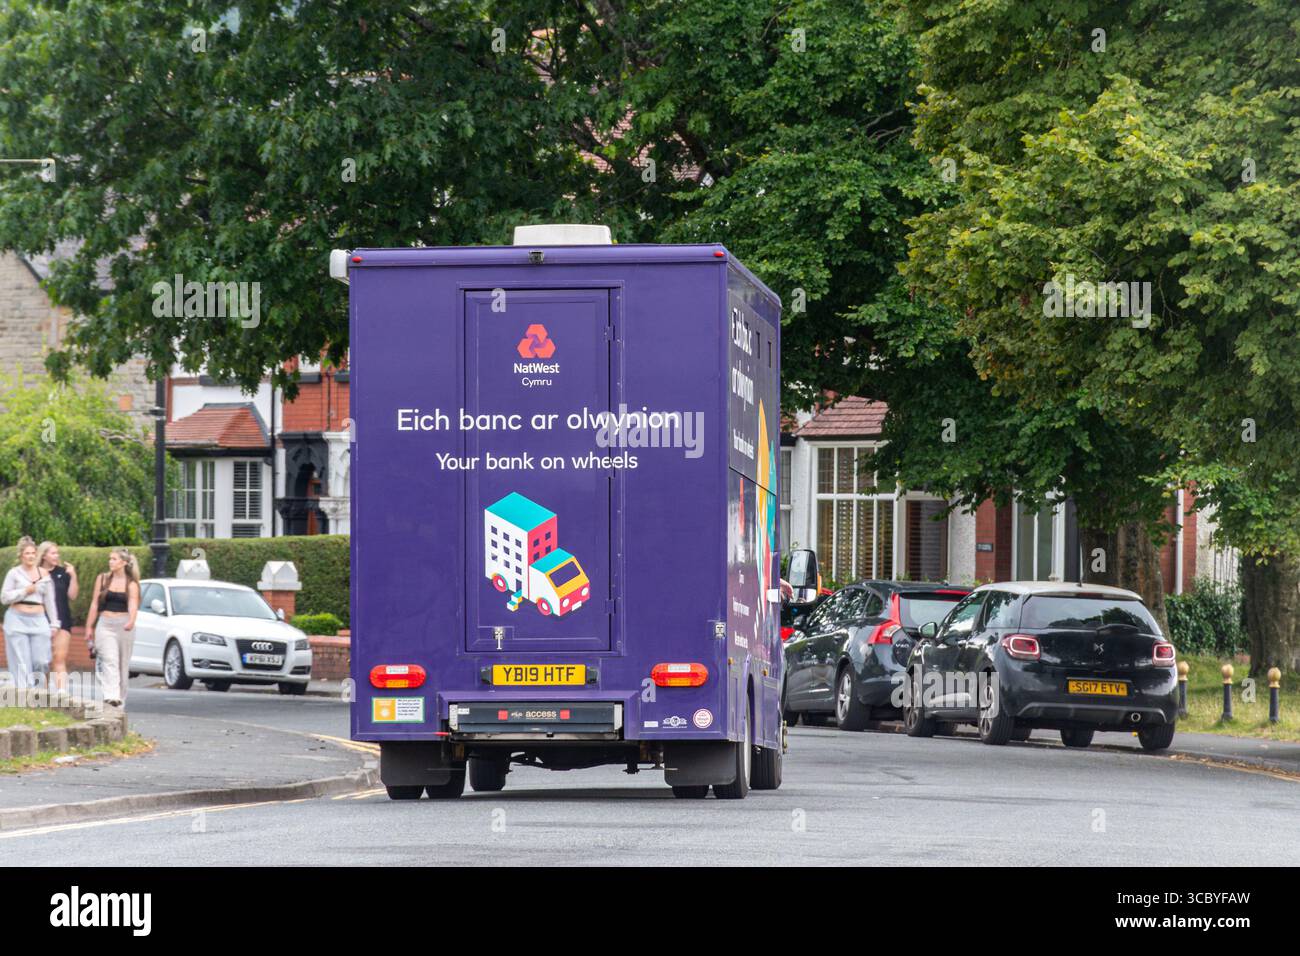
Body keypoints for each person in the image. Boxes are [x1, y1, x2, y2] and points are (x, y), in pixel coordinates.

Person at [84, 549, 140, 707]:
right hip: (105, 624)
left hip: (124, 625)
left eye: (114, 559)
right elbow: (94, 604)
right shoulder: (102, 579)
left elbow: (133, 604)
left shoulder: (132, 584)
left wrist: (131, 620)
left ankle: (120, 702)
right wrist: (89, 627)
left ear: (123, 562)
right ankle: (111, 695)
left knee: (123, 665)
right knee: (110, 660)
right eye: (110, 559)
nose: (110, 562)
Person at [1, 536, 57, 688]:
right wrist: (26, 590)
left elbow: (50, 601)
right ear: (21, 555)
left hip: (39, 619)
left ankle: (38, 690)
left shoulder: (44, 574)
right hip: (17, 619)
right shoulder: (14, 573)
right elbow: (4, 597)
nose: (31, 556)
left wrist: (54, 623)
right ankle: (26, 698)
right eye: (27, 553)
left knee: (42, 660)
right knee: (21, 660)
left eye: (33, 553)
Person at [37, 541, 79, 692]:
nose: (56, 556)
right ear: (44, 555)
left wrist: (73, 576)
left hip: (62, 620)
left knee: (59, 657)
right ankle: (43, 693)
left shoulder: (63, 573)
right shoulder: (35, 572)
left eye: (57, 553)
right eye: (53, 553)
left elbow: (73, 595)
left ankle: (62, 693)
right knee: (43, 661)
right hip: (39, 620)